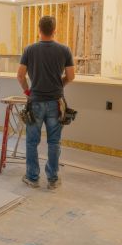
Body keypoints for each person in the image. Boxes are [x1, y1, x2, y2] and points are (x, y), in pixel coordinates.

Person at [17, 15, 75, 190]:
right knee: (54, 142)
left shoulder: (29, 49)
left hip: (35, 102)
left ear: (39, 29)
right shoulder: (64, 50)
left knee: (32, 141)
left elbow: (20, 76)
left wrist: (28, 91)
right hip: (56, 103)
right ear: (54, 30)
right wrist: (59, 85)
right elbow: (71, 76)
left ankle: (32, 177)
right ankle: (52, 179)